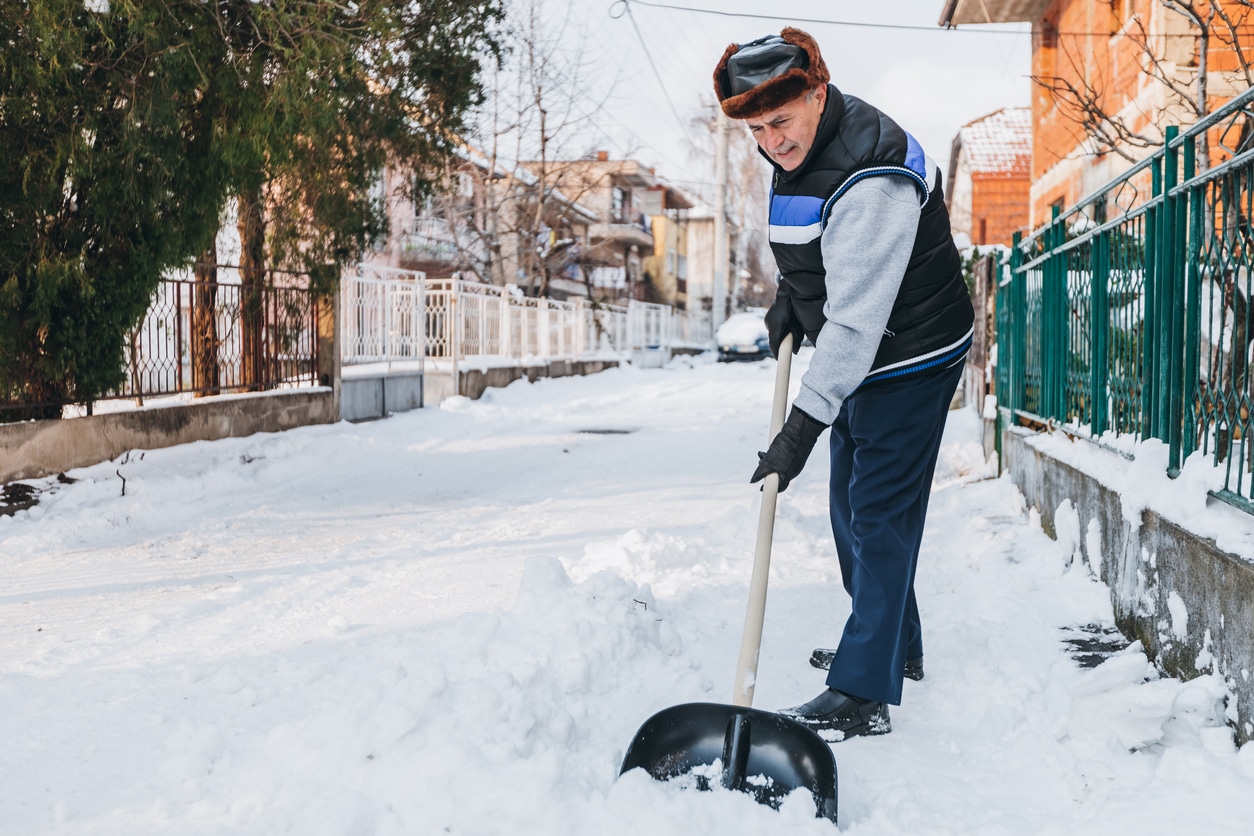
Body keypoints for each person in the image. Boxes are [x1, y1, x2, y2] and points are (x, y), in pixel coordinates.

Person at [714, 28, 974, 739]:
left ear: (818, 94)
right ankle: (892, 644)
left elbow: (857, 322)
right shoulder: (801, 146)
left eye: (781, 121)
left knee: (879, 512)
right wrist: (789, 299)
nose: (771, 141)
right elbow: (813, 244)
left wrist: (799, 429)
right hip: (865, 346)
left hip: (913, 350)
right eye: (758, 129)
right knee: (848, 507)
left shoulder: (873, 170)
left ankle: (864, 691)